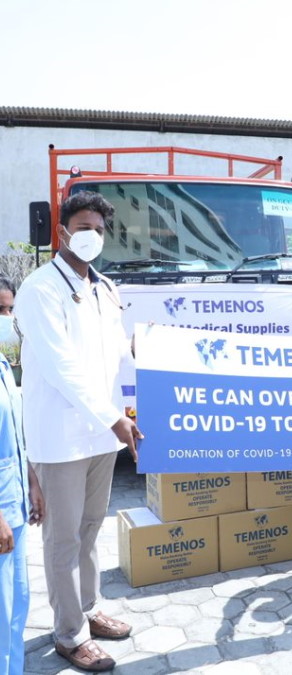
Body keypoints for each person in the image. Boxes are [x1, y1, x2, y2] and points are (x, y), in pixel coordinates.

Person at [14, 192, 142, 672]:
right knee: (63, 538)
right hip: (63, 435)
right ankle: (69, 634)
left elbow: (121, 353)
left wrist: (142, 398)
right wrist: (111, 416)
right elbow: (61, 365)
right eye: (83, 226)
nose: (92, 236)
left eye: (99, 229)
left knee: (90, 531)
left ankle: (89, 609)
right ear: (63, 231)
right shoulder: (40, 289)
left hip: (103, 435)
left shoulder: (105, 287)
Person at [0, 275, 43, 674]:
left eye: (10, 309)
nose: (7, 318)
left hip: (16, 504)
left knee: (18, 601)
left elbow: (16, 431)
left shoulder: (3, 366)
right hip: (0, 515)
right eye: (0, 310)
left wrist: (33, 483)